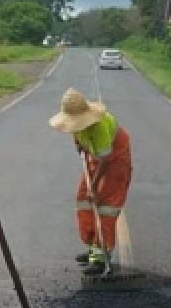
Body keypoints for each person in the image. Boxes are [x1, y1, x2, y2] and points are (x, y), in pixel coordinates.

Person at [48, 88, 132, 276]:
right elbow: (77, 135)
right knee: (84, 201)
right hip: (96, 157)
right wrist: (79, 145)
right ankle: (93, 248)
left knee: (105, 207)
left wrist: (94, 186)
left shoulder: (100, 126)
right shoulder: (75, 124)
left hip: (115, 160)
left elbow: (104, 160)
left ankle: (102, 258)